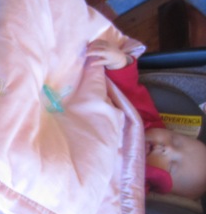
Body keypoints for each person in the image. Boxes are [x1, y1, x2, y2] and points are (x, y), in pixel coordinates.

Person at [87, 39, 206, 200]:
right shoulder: (145, 119)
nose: (167, 149)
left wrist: (150, 173)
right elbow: (128, 88)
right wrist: (119, 63)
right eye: (175, 140)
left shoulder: (133, 186)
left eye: (171, 165)